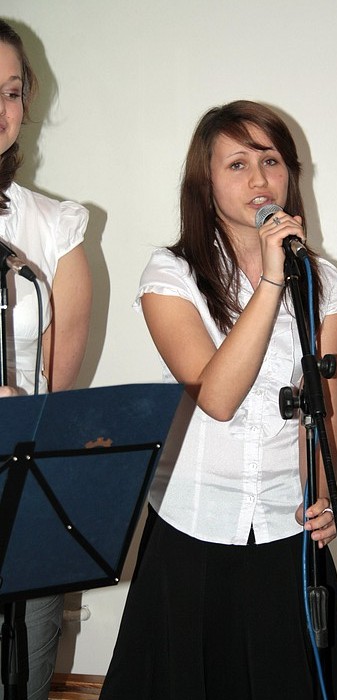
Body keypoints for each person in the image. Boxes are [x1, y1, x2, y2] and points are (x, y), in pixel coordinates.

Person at [100, 100, 337, 700]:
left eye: (271, 161)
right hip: (194, 524)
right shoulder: (171, 274)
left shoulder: (323, 281)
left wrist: (322, 494)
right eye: (237, 164)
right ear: (206, 182)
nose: (259, 178)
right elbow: (215, 397)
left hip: (285, 526)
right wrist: (270, 280)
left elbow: (322, 412)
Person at [0, 18, 92, 700]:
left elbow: (58, 391)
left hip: (18, 489)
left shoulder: (54, 227)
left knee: (24, 675)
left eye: (10, 92)